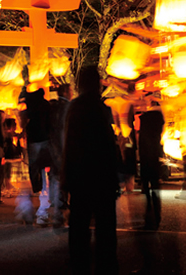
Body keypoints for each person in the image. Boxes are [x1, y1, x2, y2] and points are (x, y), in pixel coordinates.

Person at [62, 66, 119, 275]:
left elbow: (70, 144)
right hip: (102, 175)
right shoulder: (103, 109)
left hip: (81, 176)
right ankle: (106, 265)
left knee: (79, 225)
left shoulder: (75, 107)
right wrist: (114, 176)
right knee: (105, 227)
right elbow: (109, 146)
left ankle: (80, 264)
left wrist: (66, 178)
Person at [20, 87, 52, 225]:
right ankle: (46, 185)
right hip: (45, 138)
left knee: (34, 164)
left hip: (34, 138)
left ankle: (37, 185)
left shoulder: (30, 106)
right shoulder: (46, 105)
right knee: (47, 163)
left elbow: (24, 120)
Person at [138, 96, 165, 230]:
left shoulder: (145, 119)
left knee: (147, 189)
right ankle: (156, 216)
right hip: (154, 156)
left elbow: (142, 140)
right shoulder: (159, 119)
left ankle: (149, 216)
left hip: (145, 157)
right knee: (155, 186)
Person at [49, 83, 73, 227]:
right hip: (64, 148)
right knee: (65, 178)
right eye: (70, 90)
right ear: (65, 91)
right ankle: (63, 207)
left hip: (53, 148)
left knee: (55, 177)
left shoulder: (52, 107)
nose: (71, 93)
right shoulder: (68, 107)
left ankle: (58, 208)